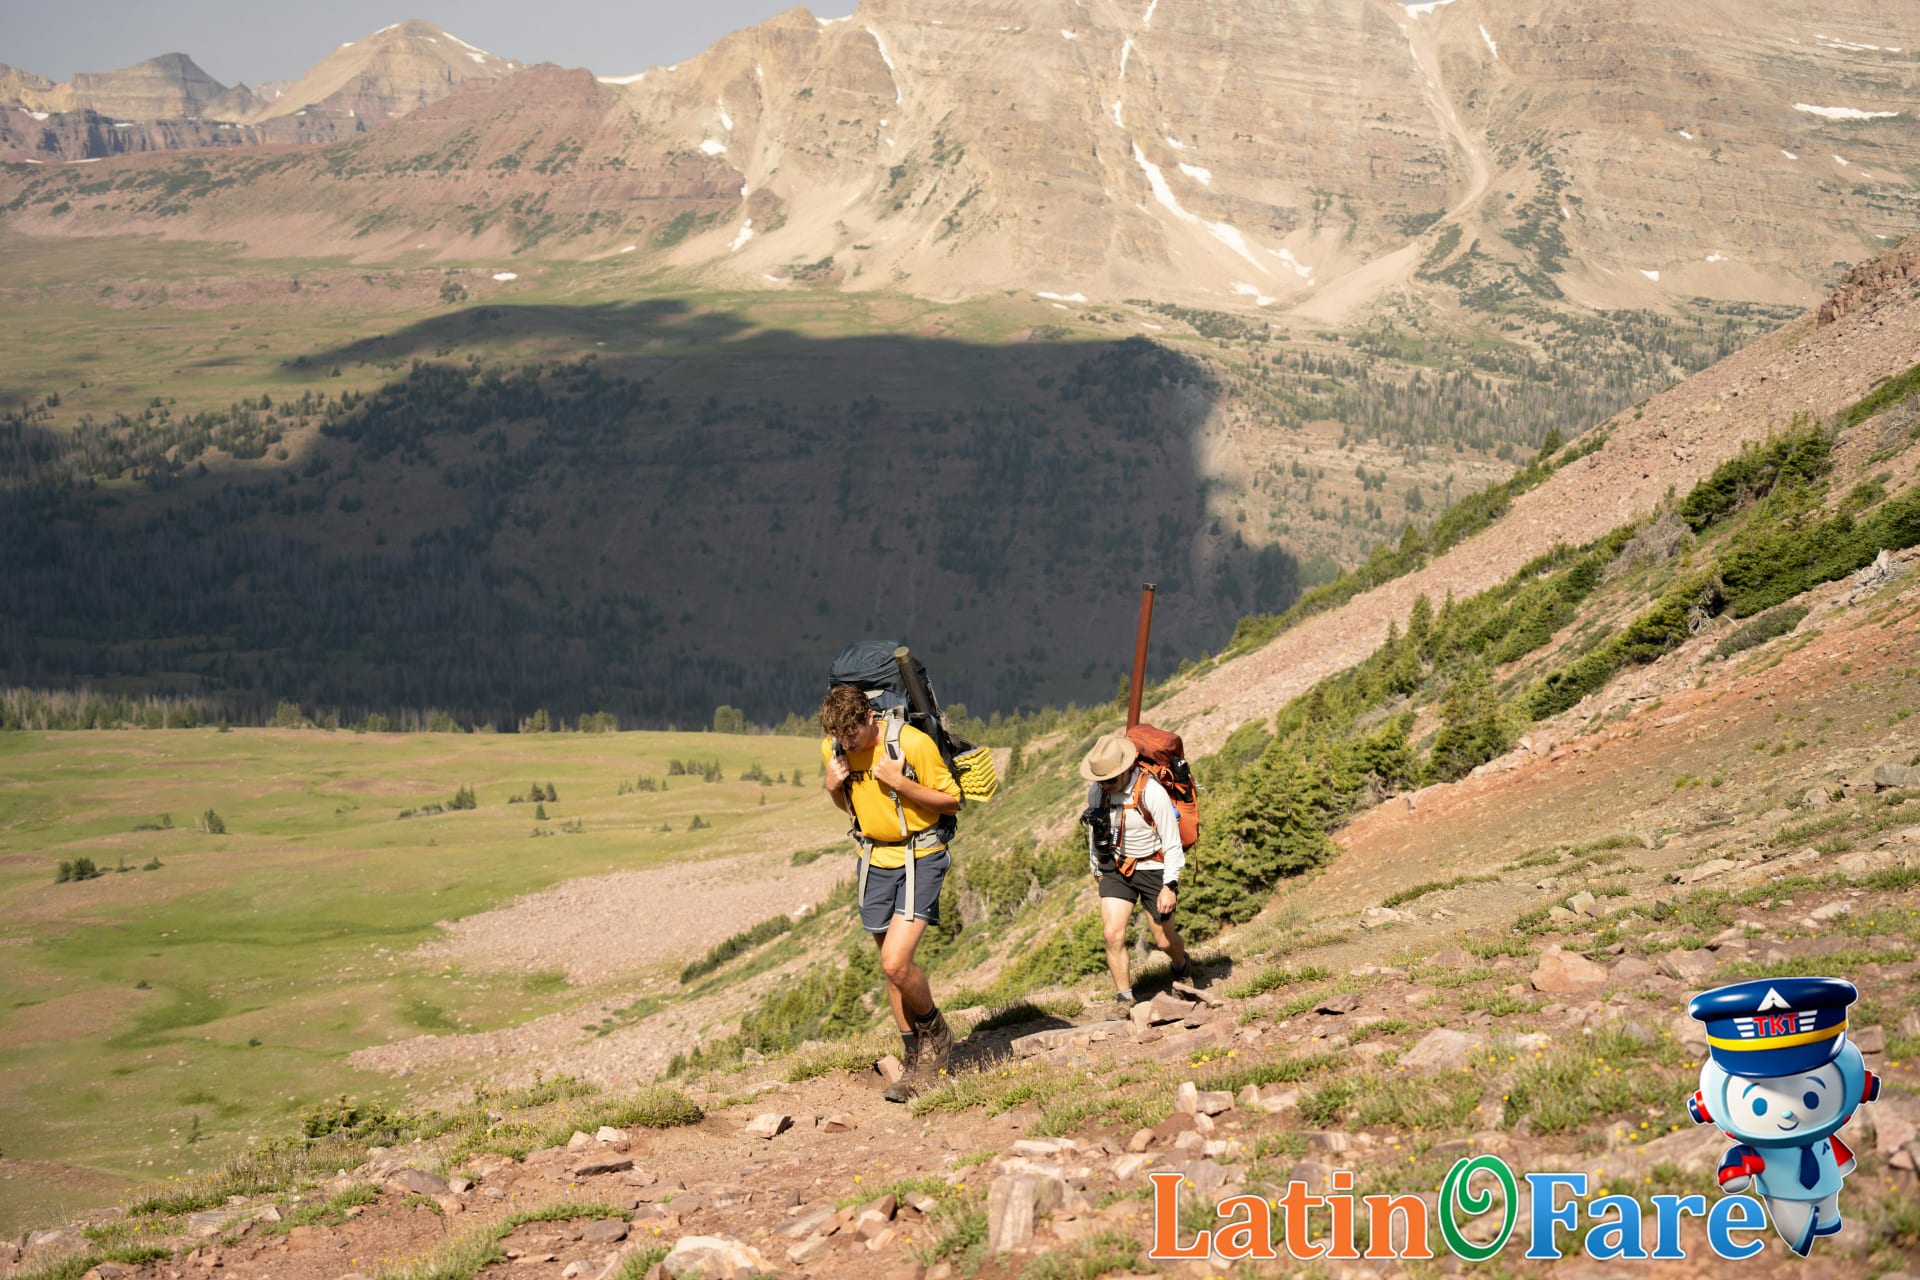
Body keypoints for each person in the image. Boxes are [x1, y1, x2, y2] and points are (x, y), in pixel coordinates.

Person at [820, 683, 961, 1102]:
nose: (847, 743)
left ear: (869, 717)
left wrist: (900, 782)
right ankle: (915, 1055)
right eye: (839, 737)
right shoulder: (835, 750)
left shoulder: (911, 743)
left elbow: (952, 802)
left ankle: (937, 1032)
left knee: (896, 962)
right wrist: (831, 786)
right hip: (875, 860)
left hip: (921, 855)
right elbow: (853, 805)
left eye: (853, 734)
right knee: (889, 968)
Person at [1079, 732, 1188, 1007]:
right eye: (1100, 780)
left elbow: (1172, 844)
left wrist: (1170, 886)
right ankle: (1124, 999)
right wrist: (1097, 867)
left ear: (1126, 770)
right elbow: (1097, 829)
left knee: (1163, 939)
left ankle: (1181, 965)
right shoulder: (1098, 792)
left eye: (1110, 780)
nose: (1104, 786)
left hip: (1154, 867)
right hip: (1115, 865)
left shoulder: (1151, 792)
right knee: (1112, 934)